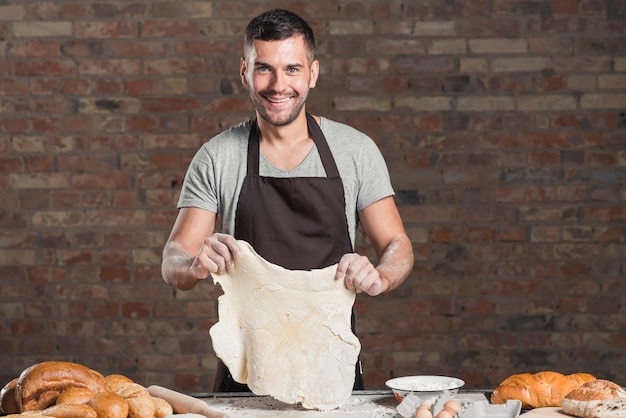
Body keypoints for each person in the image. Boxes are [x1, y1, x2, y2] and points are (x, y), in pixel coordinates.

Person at [161, 8, 414, 393]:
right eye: (264, 68)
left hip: (332, 364)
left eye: (292, 69)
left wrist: (380, 275)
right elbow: (172, 259)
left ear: (313, 73)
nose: (279, 85)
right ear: (244, 71)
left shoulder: (354, 151)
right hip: (246, 369)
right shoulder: (218, 157)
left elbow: (398, 246)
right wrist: (195, 264)